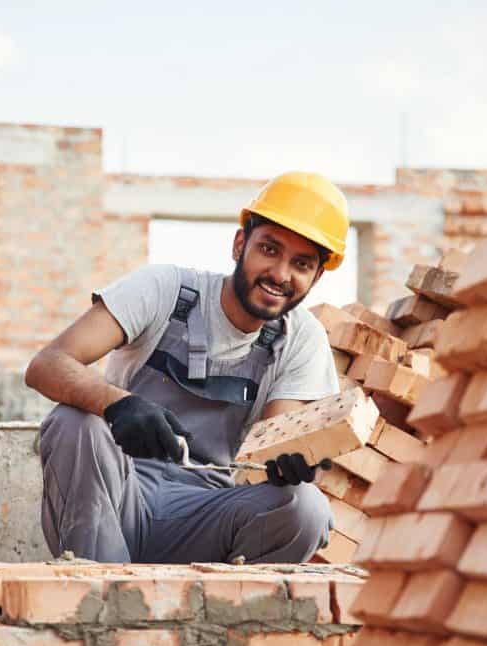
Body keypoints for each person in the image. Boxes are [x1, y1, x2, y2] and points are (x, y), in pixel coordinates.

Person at [25, 171, 349, 564]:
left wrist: (292, 459)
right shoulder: (164, 290)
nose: (280, 274)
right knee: (74, 423)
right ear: (239, 244)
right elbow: (48, 363)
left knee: (306, 508)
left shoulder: (300, 338)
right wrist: (119, 404)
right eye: (269, 249)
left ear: (316, 277)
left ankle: (225, 621)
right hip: (118, 499)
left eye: (301, 264)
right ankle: (101, 603)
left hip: (204, 517)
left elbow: (273, 445)